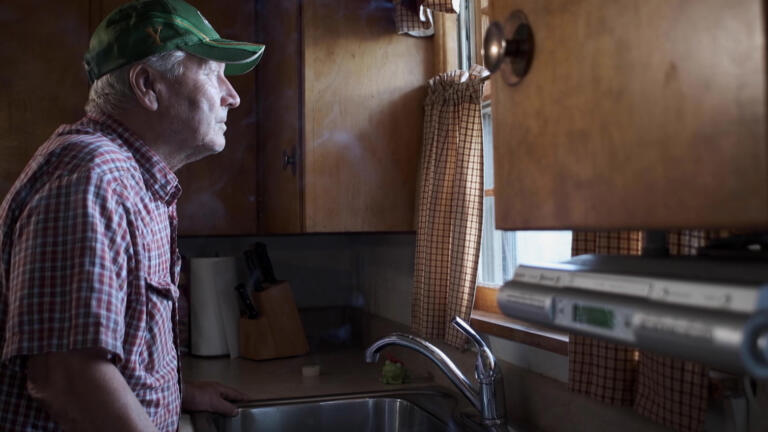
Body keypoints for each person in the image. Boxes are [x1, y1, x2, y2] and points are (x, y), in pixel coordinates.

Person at [0, 0, 265, 430]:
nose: (231, 96)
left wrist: (176, 393)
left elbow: (113, 352)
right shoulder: (94, 174)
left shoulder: (129, 176)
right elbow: (67, 378)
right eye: (212, 72)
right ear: (147, 85)